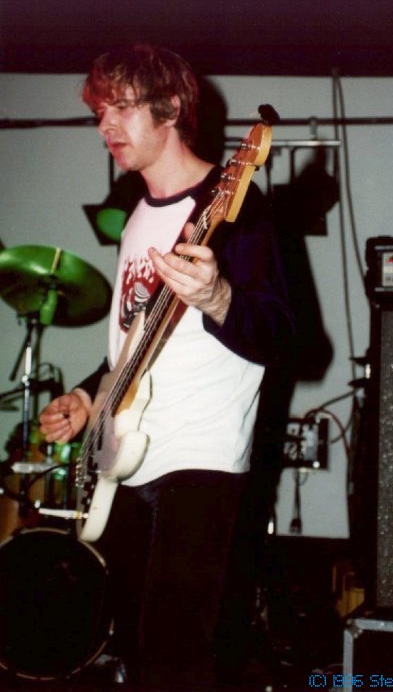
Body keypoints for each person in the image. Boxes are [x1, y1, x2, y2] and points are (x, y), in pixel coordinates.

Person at [39, 43, 294, 692]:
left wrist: (218, 296)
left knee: (177, 661)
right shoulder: (136, 218)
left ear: (171, 108)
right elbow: (129, 348)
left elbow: (286, 338)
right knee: (133, 653)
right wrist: (87, 398)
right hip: (128, 463)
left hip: (199, 461)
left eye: (120, 107)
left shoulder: (236, 208)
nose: (104, 125)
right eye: (99, 112)